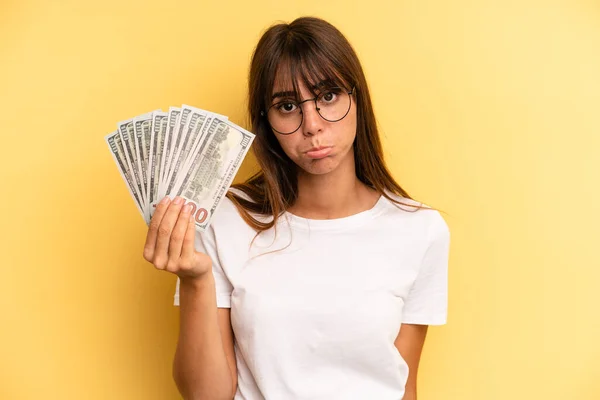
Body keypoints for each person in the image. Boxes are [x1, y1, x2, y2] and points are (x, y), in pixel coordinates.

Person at [143, 16, 450, 400]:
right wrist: (195, 280)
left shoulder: (420, 230)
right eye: (287, 106)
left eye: (327, 96)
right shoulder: (224, 221)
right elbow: (206, 396)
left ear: (358, 98)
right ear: (266, 122)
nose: (312, 125)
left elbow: (404, 387)